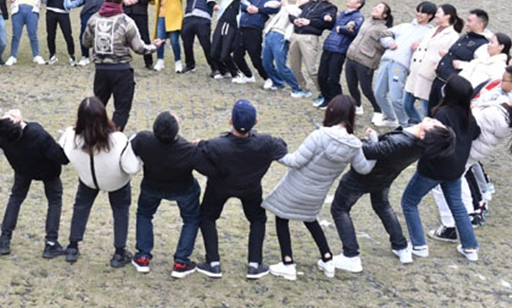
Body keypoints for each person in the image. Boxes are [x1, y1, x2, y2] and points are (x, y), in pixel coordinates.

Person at [263, 95, 374, 280]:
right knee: (309, 219)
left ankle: (287, 263)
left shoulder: (320, 135)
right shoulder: (354, 145)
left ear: (332, 111)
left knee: (282, 217)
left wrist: (276, 151)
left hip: (296, 186)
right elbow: (364, 169)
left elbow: (295, 161)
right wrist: (374, 142)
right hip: (318, 193)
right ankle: (327, 259)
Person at [330, 118, 454, 272]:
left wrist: (356, 138)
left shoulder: (400, 143)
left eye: (435, 125)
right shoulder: (420, 145)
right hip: (384, 178)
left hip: (361, 178)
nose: (434, 120)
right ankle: (400, 246)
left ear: (424, 135)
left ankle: (351, 256)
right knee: (382, 206)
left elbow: (366, 151)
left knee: (339, 209)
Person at [194, 100, 288, 279]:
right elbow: (281, 147)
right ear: (256, 122)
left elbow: (200, 154)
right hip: (250, 187)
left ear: (231, 121)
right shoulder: (265, 143)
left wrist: (200, 144)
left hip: (219, 186)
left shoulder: (215, 145)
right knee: (258, 219)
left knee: (207, 217)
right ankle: (255, 264)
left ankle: (213, 262)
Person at [401, 74, 481, 262]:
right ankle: (470, 247)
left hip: (434, 169)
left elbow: (430, 139)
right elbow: (476, 133)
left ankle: (419, 245)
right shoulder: (468, 116)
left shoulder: (442, 114)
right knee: (457, 206)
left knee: (409, 201)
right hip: (455, 169)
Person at [130, 111, 217, 278]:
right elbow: (210, 170)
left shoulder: (143, 140)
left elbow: (129, 151)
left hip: (152, 185)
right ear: (176, 130)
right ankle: (181, 261)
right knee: (191, 219)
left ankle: (142, 256)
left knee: (144, 214)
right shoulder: (189, 150)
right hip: (183, 189)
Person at [58, 97, 141, 266]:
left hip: (88, 180)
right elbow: (131, 167)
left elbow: (63, 152)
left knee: (80, 207)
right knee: (120, 212)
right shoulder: (118, 140)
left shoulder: (70, 136)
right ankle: (119, 253)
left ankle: (73, 247)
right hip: (116, 182)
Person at [0, 110, 69, 258]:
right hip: (49, 172)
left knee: (16, 199)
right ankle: (51, 244)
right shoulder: (37, 133)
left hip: (22, 169)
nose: (11, 112)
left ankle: (4, 240)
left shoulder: (0, 134)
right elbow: (62, 158)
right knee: (54, 201)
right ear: (20, 125)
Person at [428, 99, 512, 242]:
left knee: (440, 184)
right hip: (472, 152)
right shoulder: (503, 117)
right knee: (459, 180)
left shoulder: (494, 115)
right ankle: (469, 216)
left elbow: (469, 121)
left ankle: (449, 227)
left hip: (465, 150)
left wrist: (469, 108)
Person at [81, 0, 160, 131]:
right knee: (122, 109)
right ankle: (114, 137)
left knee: (98, 108)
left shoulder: (93, 19)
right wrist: (154, 46)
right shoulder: (126, 21)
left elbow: (85, 42)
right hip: (121, 70)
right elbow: (139, 48)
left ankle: (92, 135)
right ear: (122, 1)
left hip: (101, 70)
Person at [373, 1, 436, 128]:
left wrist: (419, 48)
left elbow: (430, 50)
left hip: (401, 66)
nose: (419, 14)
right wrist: (389, 42)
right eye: (418, 11)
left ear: (430, 15)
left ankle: (405, 124)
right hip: (387, 61)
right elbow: (385, 34)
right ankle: (391, 118)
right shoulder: (405, 26)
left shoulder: (430, 33)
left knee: (396, 98)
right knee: (378, 93)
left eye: (422, 12)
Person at [404, 4, 462, 122]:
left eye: (439, 13)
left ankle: (429, 129)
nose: (436, 15)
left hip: (428, 75)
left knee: (427, 109)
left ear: (447, 16)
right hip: (416, 71)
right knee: (406, 104)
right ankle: (416, 125)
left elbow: (450, 56)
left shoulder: (453, 36)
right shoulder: (432, 30)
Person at [429, 8, 490, 108]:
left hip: (449, 87)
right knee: (430, 111)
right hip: (439, 79)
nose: (466, 24)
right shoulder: (465, 37)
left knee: (441, 114)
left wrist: (462, 65)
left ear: (480, 25)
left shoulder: (483, 45)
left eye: (470, 21)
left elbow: (481, 67)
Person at [345, 2, 394, 122]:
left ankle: (378, 110)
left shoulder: (384, 29)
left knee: (366, 89)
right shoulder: (367, 21)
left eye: (379, 8)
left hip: (366, 62)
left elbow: (388, 40)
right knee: (351, 85)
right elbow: (358, 25)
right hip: (351, 57)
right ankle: (357, 106)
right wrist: (352, 24)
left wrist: (390, 43)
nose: (375, 8)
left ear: (385, 15)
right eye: (376, 6)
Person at [287, 0, 337, 98]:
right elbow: (293, 13)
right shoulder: (310, 4)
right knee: (294, 66)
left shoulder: (330, 8)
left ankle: (323, 92)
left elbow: (328, 24)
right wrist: (295, 20)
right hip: (296, 35)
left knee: (311, 69)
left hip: (309, 38)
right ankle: (302, 87)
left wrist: (310, 22)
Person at [315, 0, 365, 109]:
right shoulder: (342, 14)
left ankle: (337, 101)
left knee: (333, 77)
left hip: (340, 48)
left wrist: (341, 29)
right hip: (329, 46)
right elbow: (332, 24)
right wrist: (326, 16)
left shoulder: (358, 17)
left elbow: (354, 30)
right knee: (322, 75)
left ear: (358, 4)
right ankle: (327, 98)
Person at [232, 0, 283, 85]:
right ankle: (248, 75)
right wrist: (247, 7)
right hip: (242, 26)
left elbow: (275, 9)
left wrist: (258, 10)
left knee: (255, 56)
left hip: (254, 28)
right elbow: (243, 4)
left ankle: (268, 78)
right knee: (237, 54)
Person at [176, 0, 222, 74]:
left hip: (203, 18)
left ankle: (215, 68)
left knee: (206, 44)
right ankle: (190, 65)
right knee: (186, 43)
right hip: (188, 16)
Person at [262, 0, 310, 96]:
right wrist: (278, 2)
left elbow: (292, 14)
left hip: (281, 36)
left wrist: (286, 5)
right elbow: (267, 6)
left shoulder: (301, 12)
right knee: (266, 63)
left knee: (281, 66)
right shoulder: (286, 7)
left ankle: (296, 88)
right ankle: (278, 82)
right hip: (270, 33)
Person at [41, 0, 84, 65]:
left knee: (68, 35)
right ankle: (52, 56)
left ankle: (72, 56)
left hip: (63, 13)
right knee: (50, 35)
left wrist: (71, 4)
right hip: (50, 11)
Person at [150, 0, 186, 73]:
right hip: (161, 15)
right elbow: (154, 1)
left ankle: (178, 62)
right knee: (160, 39)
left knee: (174, 40)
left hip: (173, 15)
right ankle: (160, 60)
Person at [4, 0, 46, 66]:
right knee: (16, 34)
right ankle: (13, 56)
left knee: (33, 34)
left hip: (32, 10)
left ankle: (36, 55)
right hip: (18, 10)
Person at [120, 0, 155, 70]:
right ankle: (122, 60)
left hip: (140, 13)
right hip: (126, 13)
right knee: (122, 37)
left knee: (144, 37)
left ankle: (148, 62)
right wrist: (123, 0)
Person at [78, 0, 110, 66]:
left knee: (102, 35)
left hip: (102, 14)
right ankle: (85, 56)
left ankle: (101, 56)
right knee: (84, 34)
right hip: (87, 13)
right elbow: (81, 0)